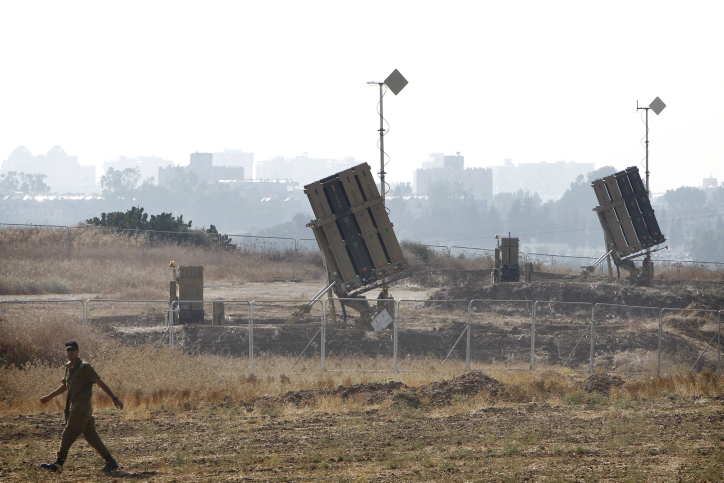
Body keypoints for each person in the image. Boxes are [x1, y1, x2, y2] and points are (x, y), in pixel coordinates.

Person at [39, 340, 124, 473]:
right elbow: (66, 385)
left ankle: (59, 463)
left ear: (78, 352)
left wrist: (114, 398)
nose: (70, 352)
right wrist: (50, 396)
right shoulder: (68, 367)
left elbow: (99, 382)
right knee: (90, 435)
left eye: (73, 350)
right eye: (68, 350)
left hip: (82, 405)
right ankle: (111, 461)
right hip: (78, 405)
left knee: (69, 432)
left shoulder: (85, 367)